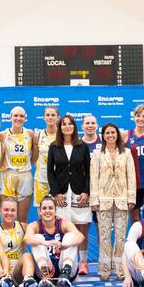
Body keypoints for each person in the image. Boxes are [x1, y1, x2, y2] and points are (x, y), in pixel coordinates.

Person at [90, 122, 136, 280]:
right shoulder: (97, 153)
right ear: (103, 136)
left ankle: (120, 268)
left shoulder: (126, 153)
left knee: (120, 236)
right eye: (107, 133)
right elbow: (93, 177)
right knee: (104, 236)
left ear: (117, 134)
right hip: (103, 200)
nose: (110, 135)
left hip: (122, 200)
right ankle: (104, 268)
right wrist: (94, 199)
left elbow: (131, 175)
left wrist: (131, 197)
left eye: (113, 132)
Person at [47, 115, 91, 273]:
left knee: (82, 225)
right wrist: (55, 192)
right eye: (64, 124)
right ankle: (64, 261)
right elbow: (50, 172)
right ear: (60, 128)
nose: (67, 126)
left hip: (80, 192)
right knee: (63, 227)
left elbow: (89, 171)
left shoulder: (82, 146)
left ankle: (83, 261)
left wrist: (86, 191)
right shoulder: (54, 146)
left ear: (74, 127)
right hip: (61, 193)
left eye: (70, 124)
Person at [24, 195, 84, 287]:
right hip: (44, 270)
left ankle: (65, 274)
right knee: (37, 237)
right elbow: (26, 238)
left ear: (55, 210)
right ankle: (46, 275)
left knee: (70, 236)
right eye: (44, 208)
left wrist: (66, 245)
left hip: (64, 268)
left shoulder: (63, 223)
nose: (47, 211)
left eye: (50, 208)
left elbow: (80, 236)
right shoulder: (34, 225)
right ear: (39, 211)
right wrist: (44, 242)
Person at [0, 198, 38, 287]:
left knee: (28, 255)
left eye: (13, 210)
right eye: (6, 210)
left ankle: (27, 280)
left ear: (16, 212)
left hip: (18, 272)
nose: (9, 213)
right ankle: (4, 279)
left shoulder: (24, 227)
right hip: (1, 271)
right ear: (0, 211)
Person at [0, 106, 37, 223]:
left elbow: (35, 156)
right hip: (7, 176)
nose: (18, 118)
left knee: (22, 219)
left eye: (21, 116)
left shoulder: (30, 134)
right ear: (10, 117)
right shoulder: (2, 135)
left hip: (25, 176)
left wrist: (27, 164)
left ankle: (22, 236)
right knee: (7, 218)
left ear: (25, 119)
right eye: (15, 115)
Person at [80, 114, 101, 274]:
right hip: (83, 190)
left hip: (100, 191)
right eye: (87, 123)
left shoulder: (104, 141)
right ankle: (83, 261)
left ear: (97, 125)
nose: (90, 125)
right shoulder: (77, 143)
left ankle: (103, 260)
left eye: (93, 123)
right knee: (83, 227)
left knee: (102, 227)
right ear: (82, 126)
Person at [33, 106, 59, 208]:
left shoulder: (62, 136)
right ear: (44, 117)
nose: (50, 117)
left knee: (59, 212)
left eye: (53, 115)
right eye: (47, 115)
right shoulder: (38, 135)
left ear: (57, 117)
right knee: (42, 211)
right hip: (41, 180)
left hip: (58, 181)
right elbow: (34, 157)